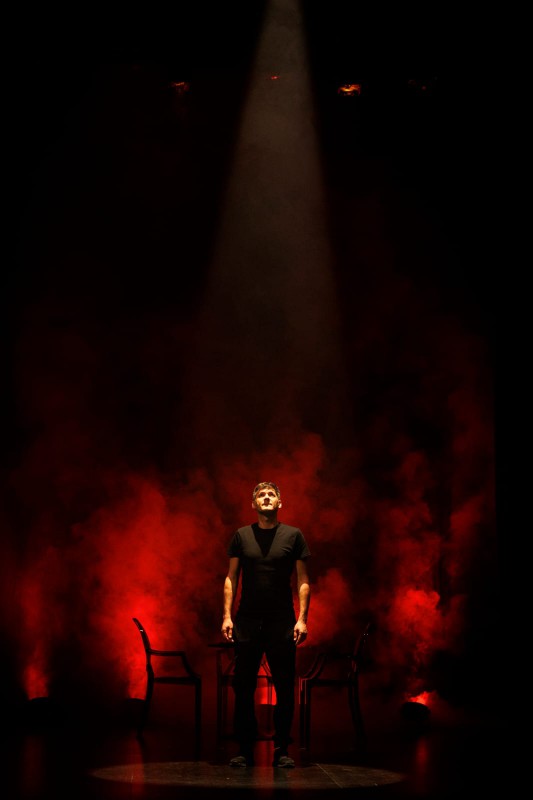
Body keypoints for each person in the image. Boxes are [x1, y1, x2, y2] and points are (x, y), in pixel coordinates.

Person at [221, 481, 311, 768]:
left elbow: (303, 579)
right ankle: (245, 749)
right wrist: (227, 616)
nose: (267, 497)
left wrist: (302, 619)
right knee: (243, 686)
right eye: (262, 495)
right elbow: (231, 578)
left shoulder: (293, 535)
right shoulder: (241, 535)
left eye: (272, 494)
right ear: (254, 504)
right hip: (247, 619)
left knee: (284, 686)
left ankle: (282, 749)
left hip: (281, 620)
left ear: (280, 503)